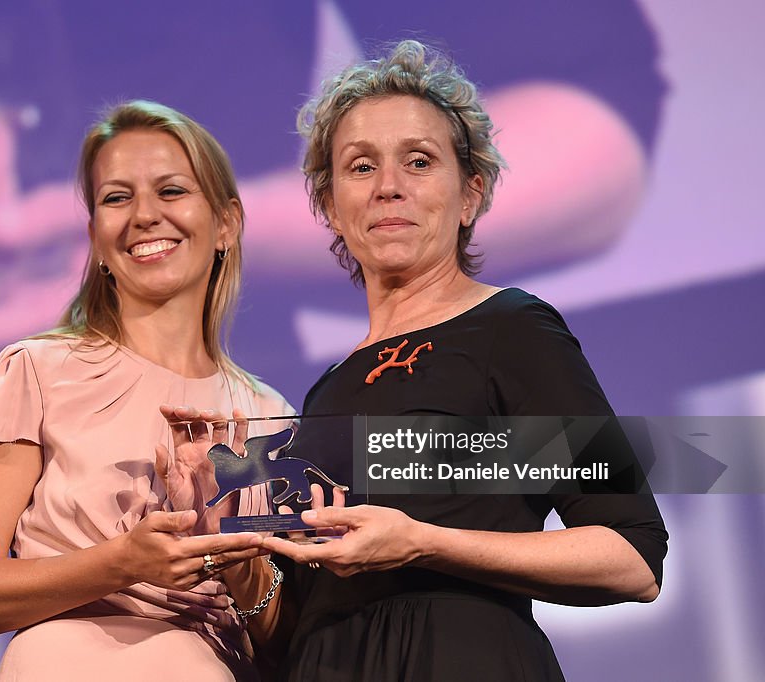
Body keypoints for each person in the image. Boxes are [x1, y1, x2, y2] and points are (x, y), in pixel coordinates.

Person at [199, 40, 668, 681]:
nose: (389, 187)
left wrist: (421, 542)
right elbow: (300, 621)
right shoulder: (327, 390)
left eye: (418, 162)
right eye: (361, 167)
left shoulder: (513, 330)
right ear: (330, 206)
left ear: (470, 194)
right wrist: (236, 558)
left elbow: (633, 558)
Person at [0, 100, 293, 681]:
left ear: (227, 223)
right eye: (117, 198)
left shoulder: (269, 415)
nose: (144, 215)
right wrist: (123, 562)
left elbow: (281, 643)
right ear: (95, 237)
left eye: (171, 191)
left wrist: (238, 563)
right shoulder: (35, 373)